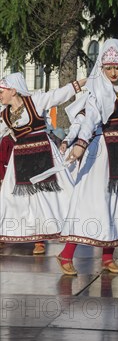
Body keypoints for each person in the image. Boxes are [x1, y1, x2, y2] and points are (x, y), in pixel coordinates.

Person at [56, 39, 118, 275]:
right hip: (101, 151)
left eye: (117, 67)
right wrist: (80, 145)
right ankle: (66, 253)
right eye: (108, 68)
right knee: (91, 202)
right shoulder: (97, 89)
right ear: (101, 67)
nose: (113, 72)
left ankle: (108, 257)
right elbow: (90, 118)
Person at [0, 72, 86, 255]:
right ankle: (6, 232)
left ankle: (43, 238)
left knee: (50, 197)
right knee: (12, 198)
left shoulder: (35, 102)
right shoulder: (5, 115)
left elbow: (60, 94)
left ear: (13, 91)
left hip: (44, 154)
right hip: (21, 158)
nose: (0, 94)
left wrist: (87, 80)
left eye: (2, 91)